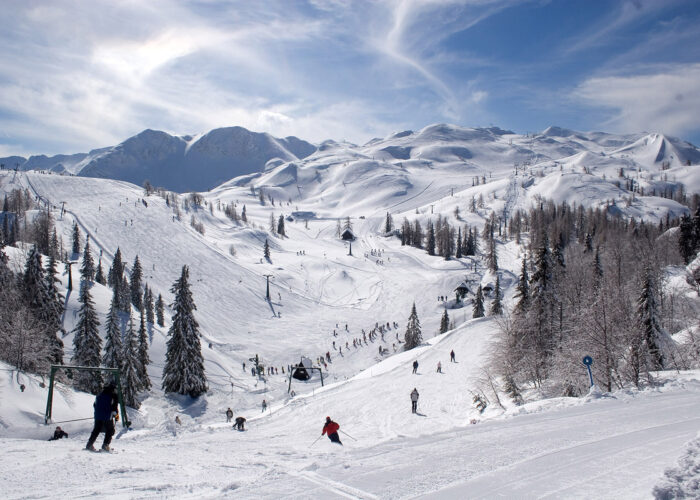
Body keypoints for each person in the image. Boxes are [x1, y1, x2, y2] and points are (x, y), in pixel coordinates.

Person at [85, 383, 119, 452]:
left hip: (97, 415)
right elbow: (114, 407)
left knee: (96, 430)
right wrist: (116, 416)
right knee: (110, 430)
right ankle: (105, 445)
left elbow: (94, 405)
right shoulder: (113, 395)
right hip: (107, 415)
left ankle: (89, 444)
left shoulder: (99, 395)